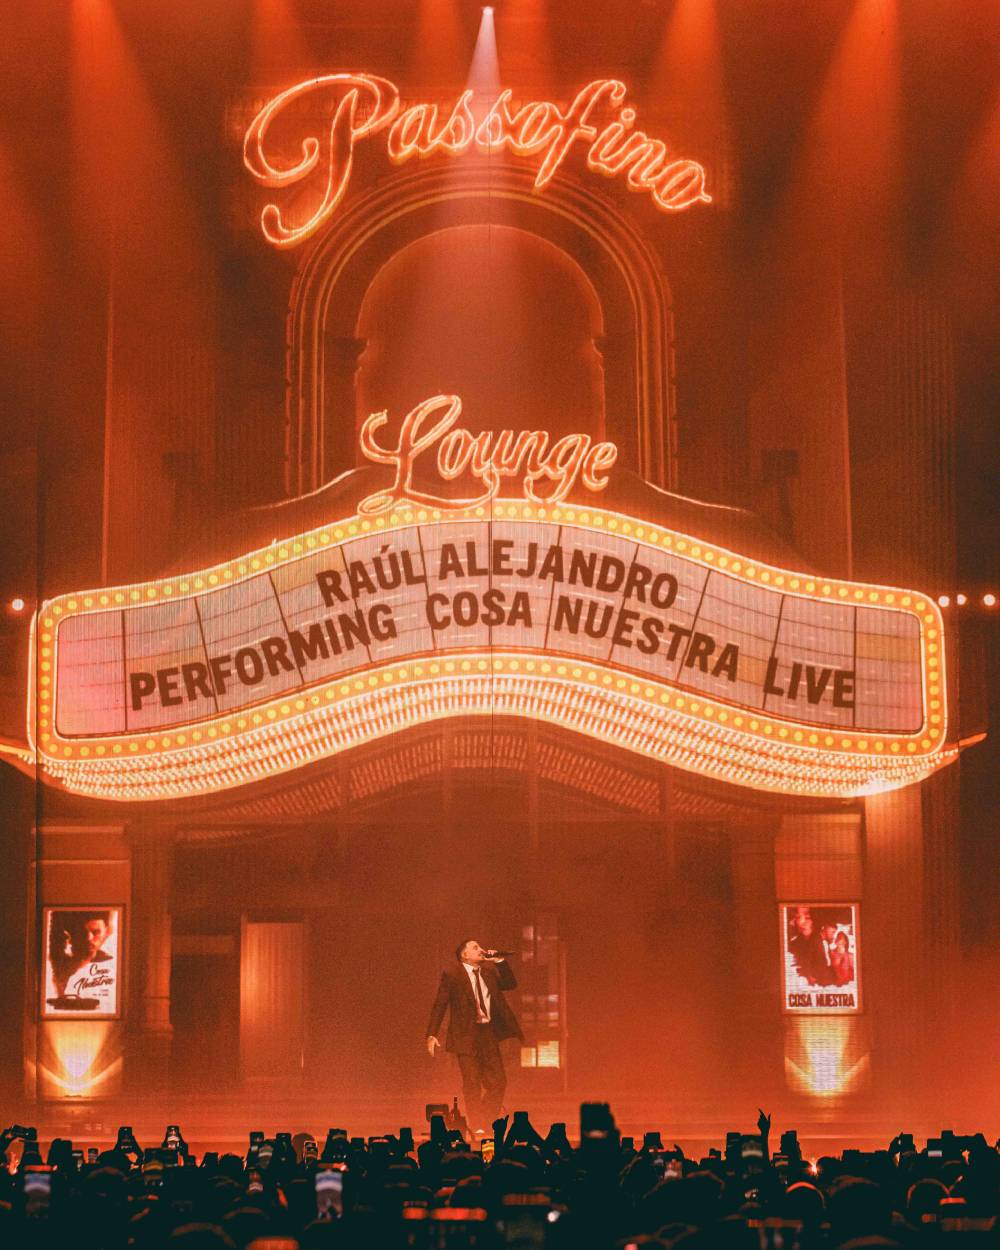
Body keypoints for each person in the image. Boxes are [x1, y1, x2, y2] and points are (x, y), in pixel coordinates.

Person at [426, 939, 523, 1133]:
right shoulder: (453, 975)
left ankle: (484, 1119)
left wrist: (500, 961)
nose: (481, 950)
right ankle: (478, 1124)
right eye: (475, 947)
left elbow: (510, 984)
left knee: (498, 1082)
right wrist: (432, 1033)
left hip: (488, 1033)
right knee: (472, 1082)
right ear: (464, 955)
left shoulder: (489, 973)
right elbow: (440, 1003)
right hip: (465, 1035)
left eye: (480, 947)